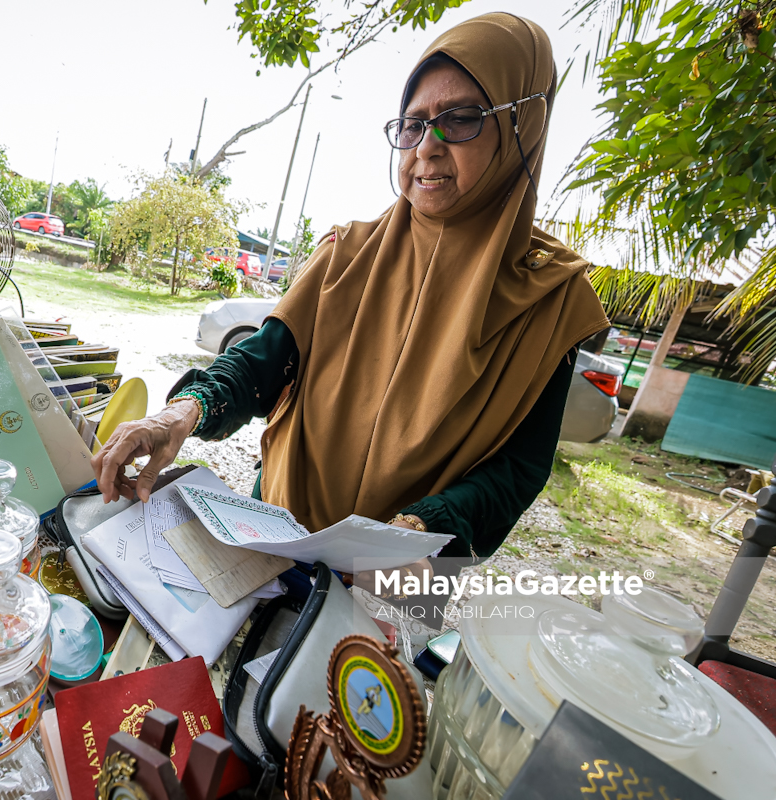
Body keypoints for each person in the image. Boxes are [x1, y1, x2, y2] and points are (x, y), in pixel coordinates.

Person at [92, 13, 609, 565]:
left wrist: (414, 530)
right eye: (412, 125)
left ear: (522, 125)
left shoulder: (551, 300)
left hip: (398, 573)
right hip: (273, 533)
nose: (427, 147)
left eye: (460, 119)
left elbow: (518, 468)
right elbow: (263, 362)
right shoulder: (345, 253)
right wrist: (180, 413)